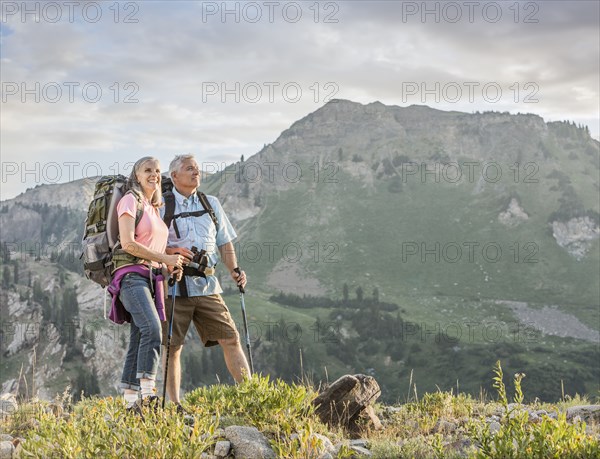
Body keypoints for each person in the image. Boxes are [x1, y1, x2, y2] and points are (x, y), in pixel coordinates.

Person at [161, 154, 249, 405]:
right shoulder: (161, 206)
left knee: (230, 338)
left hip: (208, 285)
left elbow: (224, 242)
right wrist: (169, 252)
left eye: (197, 169)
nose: (196, 172)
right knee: (173, 347)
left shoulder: (211, 203)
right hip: (173, 286)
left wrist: (235, 270)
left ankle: (251, 396)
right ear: (175, 176)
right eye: (190, 169)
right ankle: (175, 405)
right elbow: (149, 243)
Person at [108, 156, 184, 413]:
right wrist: (164, 258)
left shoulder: (153, 208)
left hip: (150, 278)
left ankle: (130, 405)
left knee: (140, 334)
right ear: (137, 176)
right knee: (153, 329)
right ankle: (148, 395)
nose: (154, 174)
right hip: (130, 277)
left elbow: (152, 249)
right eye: (147, 170)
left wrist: (168, 265)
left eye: (158, 170)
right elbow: (128, 243)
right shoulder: (130, 200)